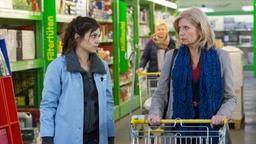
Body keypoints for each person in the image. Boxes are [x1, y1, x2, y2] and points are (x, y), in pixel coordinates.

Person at [148, 8, 236, 143]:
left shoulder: (221, 57)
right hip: (179, 130)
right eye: (179, 29)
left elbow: (230, 97)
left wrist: (221, 114)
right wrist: (155, 113)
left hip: (211, 130)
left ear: (201, 29)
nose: (181, 33)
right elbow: (160, 93)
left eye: (186, 28)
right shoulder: (172, 57)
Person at [40, 16, 115, 144]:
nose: (98, 40)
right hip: (67, 137)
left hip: (97, 137)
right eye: (93, 36)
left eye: (99, 36)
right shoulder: (58, 67)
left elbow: (108, 102)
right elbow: (48, 105)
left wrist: (110, 133)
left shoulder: (102, 67)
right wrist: (47, 136)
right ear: (77, 37)